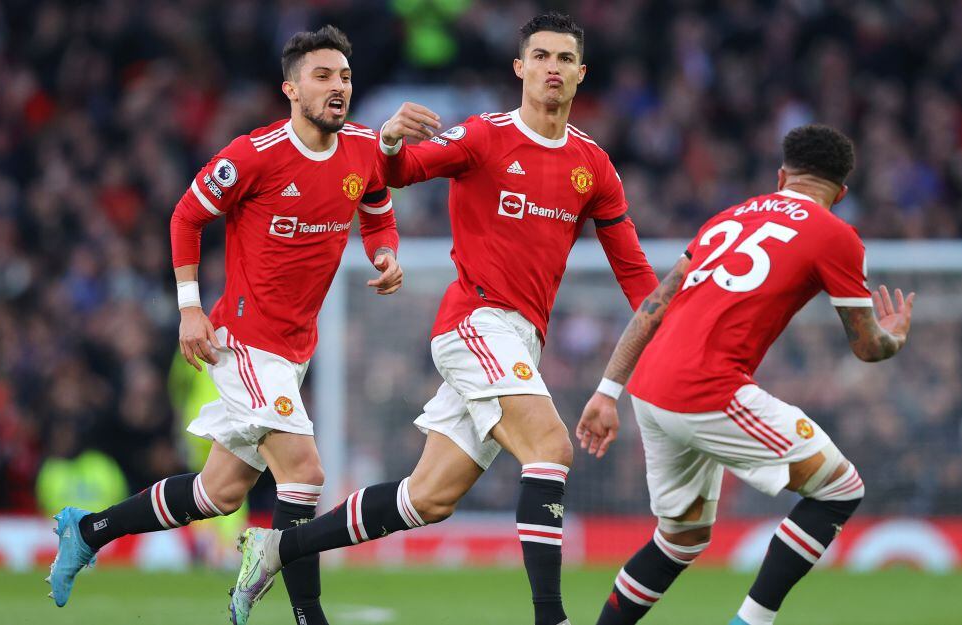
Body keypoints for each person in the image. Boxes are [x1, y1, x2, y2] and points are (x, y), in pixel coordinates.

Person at [227, 12, 658, 625]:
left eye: (564, 59)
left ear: (581, 73)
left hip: (522, 340)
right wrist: (392, 140)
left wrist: (670, 331)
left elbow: (636, 274)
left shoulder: (595, 166)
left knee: (427, 498)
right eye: (540, 57)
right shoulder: (484, 136)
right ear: (520, 68)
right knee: (551, 449)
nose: (552, 69)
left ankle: (276, 547)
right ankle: (551, 619)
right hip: (475, 322)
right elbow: (396, 171)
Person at [47, 26, 403, 625]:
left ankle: (89, 529)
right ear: (290, 88)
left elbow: (377, 205)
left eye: (343, 76)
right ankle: (307, 616)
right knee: (306, 474)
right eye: (322, 76)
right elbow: (187, 215)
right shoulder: (254, 155)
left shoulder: (365, 148)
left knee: (220, 493)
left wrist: (384, 251)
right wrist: (189, 306)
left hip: (294, 349)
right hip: (245, 343)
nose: (337, 87)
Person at [577, 124, 915, 625]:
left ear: (781, 176)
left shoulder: (725, 219)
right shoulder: (835, 233)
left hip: (647, 389)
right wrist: (894, 337)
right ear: (841, 193)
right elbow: (866, 348)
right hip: (707, 390)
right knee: (840, 489)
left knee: (680, 539)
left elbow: (655, 304)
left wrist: (608, 391)